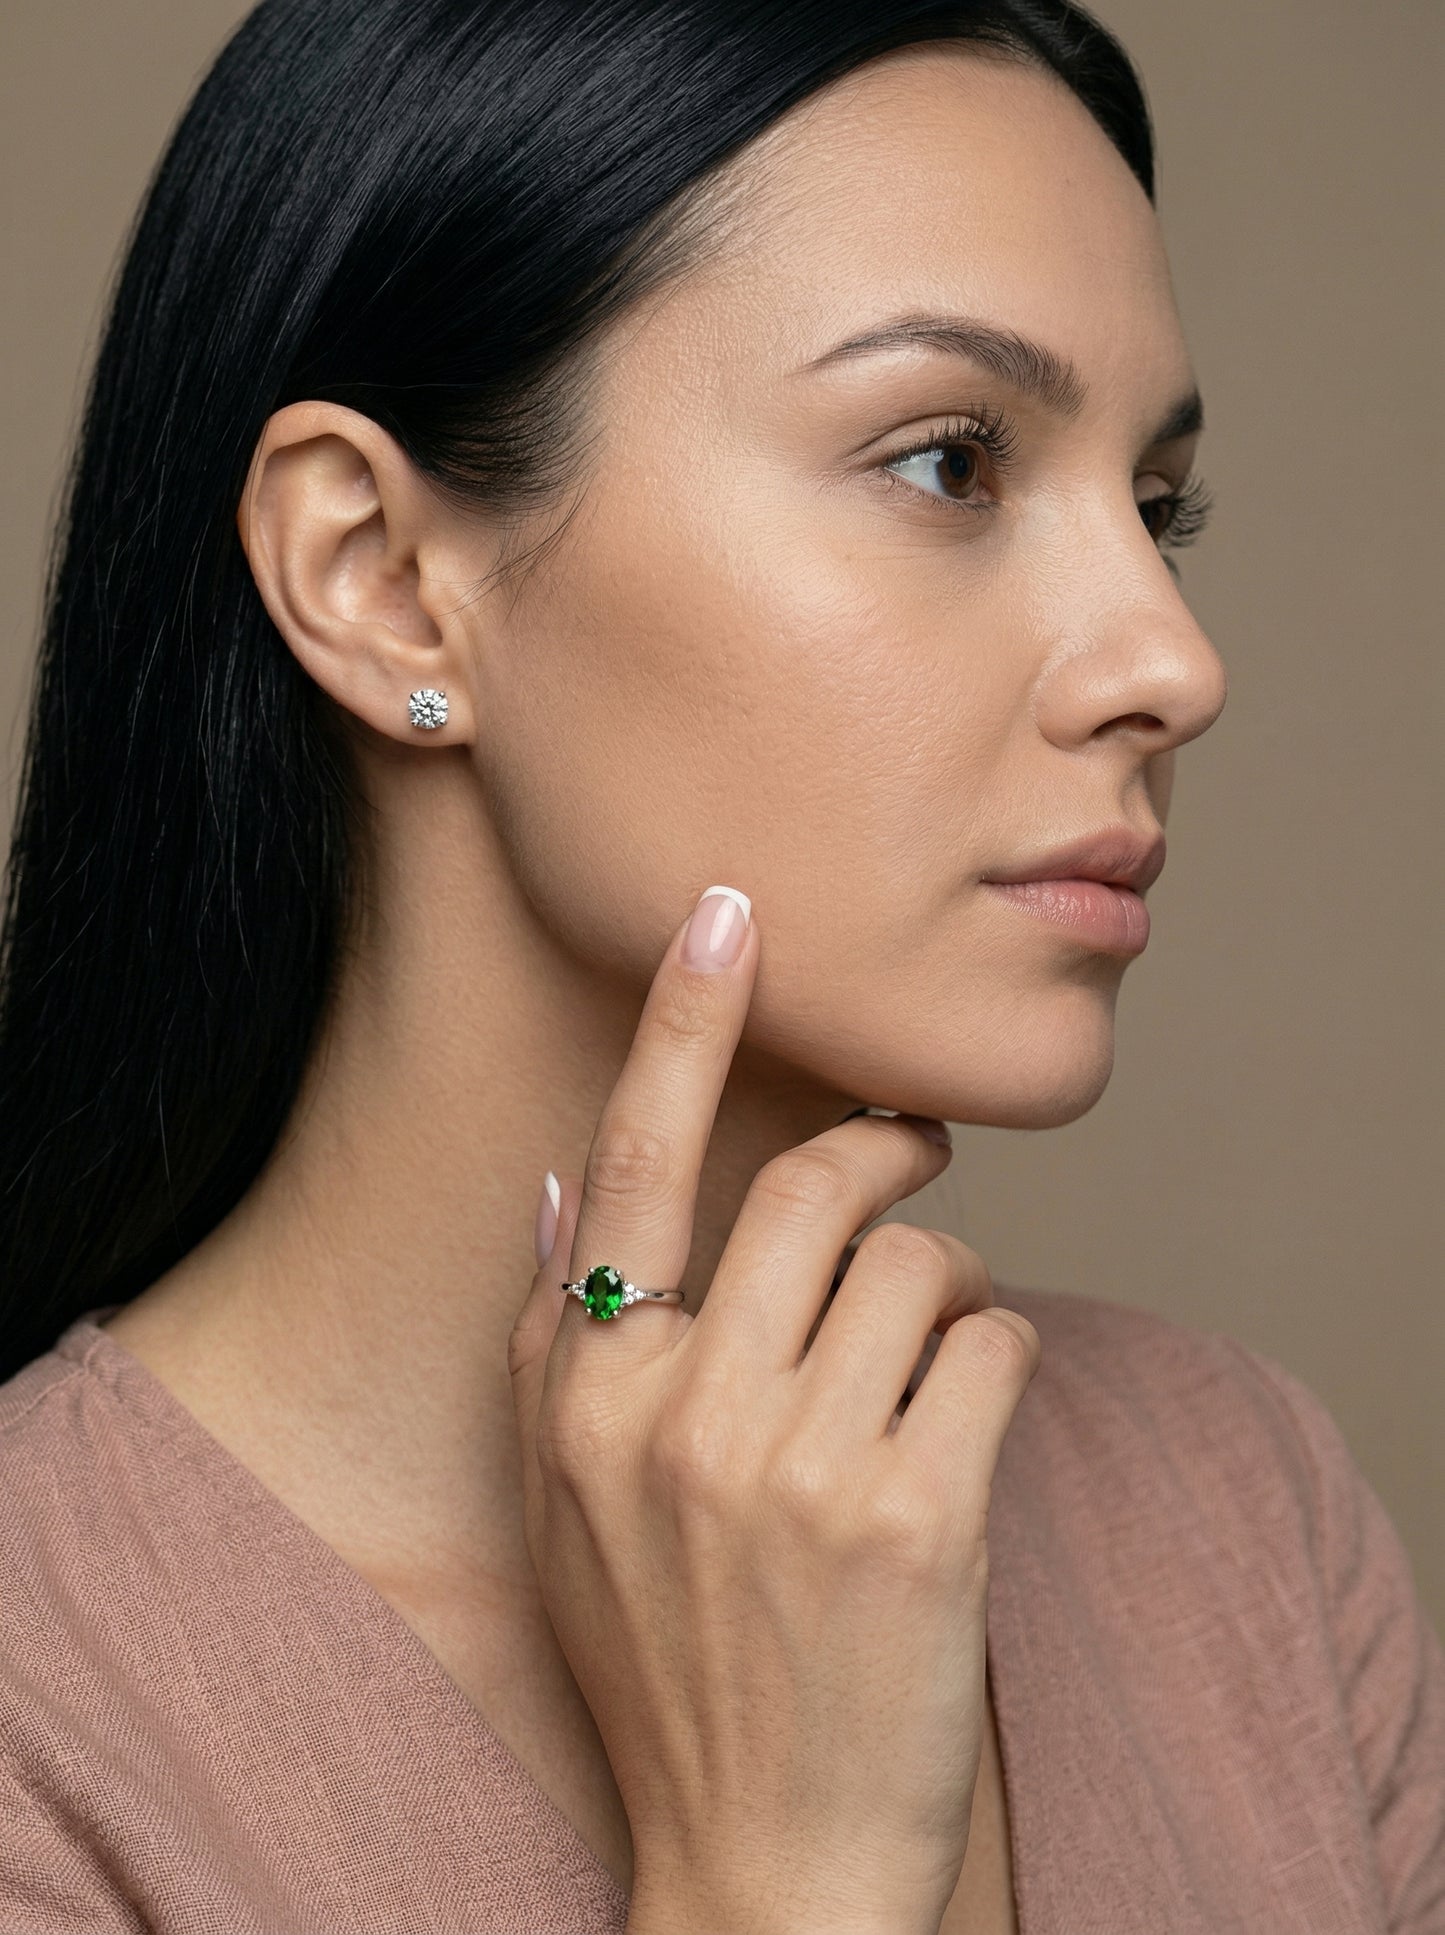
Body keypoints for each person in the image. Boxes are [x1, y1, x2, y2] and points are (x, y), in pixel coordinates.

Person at [1, 1, 1441, 1930]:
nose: (1170, 661)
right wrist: (787, 1877)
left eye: (1157, 508)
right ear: (381, 577)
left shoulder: (1233, 1517)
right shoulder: (46, 1714)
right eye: (949, 464)